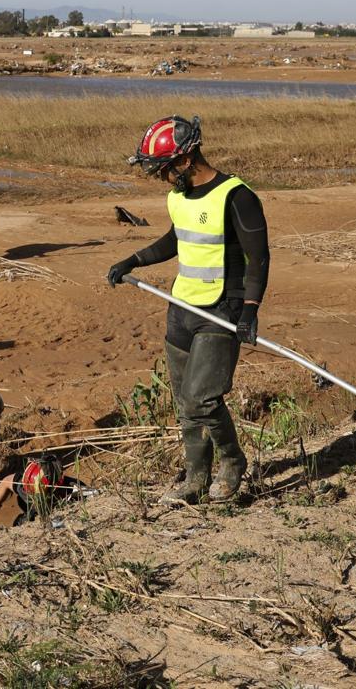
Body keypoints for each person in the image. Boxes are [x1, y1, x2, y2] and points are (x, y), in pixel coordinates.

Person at [107, 115, 269, 505]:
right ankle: (196, 479)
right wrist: (134, 259)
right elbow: (176, 239)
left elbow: (259, 257)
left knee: (203, 399)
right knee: (184, 403)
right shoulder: (177, 197)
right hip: (181, 309)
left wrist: (249, 310)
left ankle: (232, 463)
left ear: (186, 159)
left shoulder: (237, 195)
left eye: (163, 170)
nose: (162, 178)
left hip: (221, 309)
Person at [0, 454, 86, 526]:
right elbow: (5, 483)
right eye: (29, 493)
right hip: (31, 512)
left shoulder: (73, 492)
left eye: (36, 495)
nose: (32, 496)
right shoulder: (29, 483)